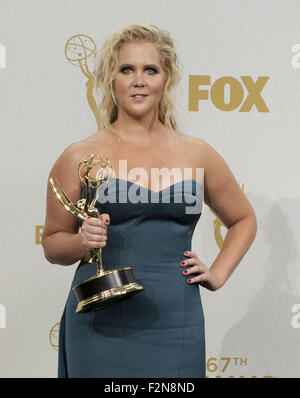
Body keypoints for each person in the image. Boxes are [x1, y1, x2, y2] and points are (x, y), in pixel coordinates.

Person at [41, 23, 257, 378]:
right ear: (111, 79)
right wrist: (81, 241)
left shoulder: (197, 153)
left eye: (150, 69)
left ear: (166, 78)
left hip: (177, 320)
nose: (138, 80)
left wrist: (218, 273)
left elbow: (243, 219)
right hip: (100, 317)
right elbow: (52, 243)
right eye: (127, 69)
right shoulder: (79, 155)